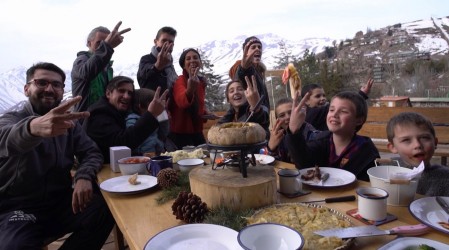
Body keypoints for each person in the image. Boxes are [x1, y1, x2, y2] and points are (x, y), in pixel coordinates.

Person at [0, 62, 114, 249]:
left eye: (56, 84)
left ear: (62, 91)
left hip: (60, 203)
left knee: (106, 208)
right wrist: (32, 128)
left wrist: (84, 176)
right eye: (42, 83)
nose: (49, 89)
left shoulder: (69, 124)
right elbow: (5, 138)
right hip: (18, 209)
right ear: (27, 89)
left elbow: (91, 152)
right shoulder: (11, 119)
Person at [286, 91, 380, 181]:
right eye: (331, 110)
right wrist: (294, 130)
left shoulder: (367, 151)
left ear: (359, 120)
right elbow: (303, 164)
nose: (334, 114)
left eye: (343, 111)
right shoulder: (321, 140)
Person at [83, 76, 168, 162]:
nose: (126, 96)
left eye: (130, 93)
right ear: (108, 93)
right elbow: (121, 144)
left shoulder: (119, 110)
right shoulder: (99, 113)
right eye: (121, 91)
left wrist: (161, 113)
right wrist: (151, 114)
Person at [71, 21, 131, 113]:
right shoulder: (81, 60)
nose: (102, 46)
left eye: (105, 42)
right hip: (84, 120)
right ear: (89, 43)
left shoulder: (107, 67)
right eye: (99, 43)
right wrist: (107, 46)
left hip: (101, 117)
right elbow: (87, 73)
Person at [386, 112, 449, 196]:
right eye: (406, 140)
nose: (417, 145)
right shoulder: (386, 171)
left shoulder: (445, 178)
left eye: (424, 138)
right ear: (393, 147)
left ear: (435, 143)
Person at [137, 26, 177, 151]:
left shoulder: (170, 65)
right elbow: (143, 76)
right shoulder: (146, 59)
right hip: (150, 112)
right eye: (164, 40)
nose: (167, 45)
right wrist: (157, 67)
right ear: (156, 41)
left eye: (171, 42)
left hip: (167, 111)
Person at [168, 48, 212, 149]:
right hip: (180, 135)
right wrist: (190, 90)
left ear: (200, 63)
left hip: (197, 133)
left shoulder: (200, 83)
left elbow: (197, 105)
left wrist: (205, 113)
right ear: (183, 65)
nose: (192, 60)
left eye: (195, 58)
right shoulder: (180, 81)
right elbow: (181, 101)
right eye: (188, 59)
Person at [301, 78, 374, 131]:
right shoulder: (313, 113)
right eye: (318, 96)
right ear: (306, 100)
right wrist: (362, 94)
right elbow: (343, 104)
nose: (322, 98)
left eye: (324, 95)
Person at [267, 97, 319, 163]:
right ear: (277, 120)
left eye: (291, 113)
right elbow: (273, 164)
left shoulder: (312, 135)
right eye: (282, 115)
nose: (288, 117)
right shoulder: (279, 136)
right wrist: (271, 148)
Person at [229, 36, 270, 111]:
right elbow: (240, 77)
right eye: (253, 47)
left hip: (263, 115)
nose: (257, 49)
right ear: (246, 52)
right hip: (249, 115)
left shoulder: (259, 70)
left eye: (259, 47)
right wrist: (243, 68)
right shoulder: (240, 68)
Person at [126, 88, 165, 156]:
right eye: (153, 104)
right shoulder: (132, 119)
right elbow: (132, 139)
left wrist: (163, 114)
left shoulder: (153, 119)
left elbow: (165, 132)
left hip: (155, 153)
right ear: (140, 106)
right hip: (142, 156)